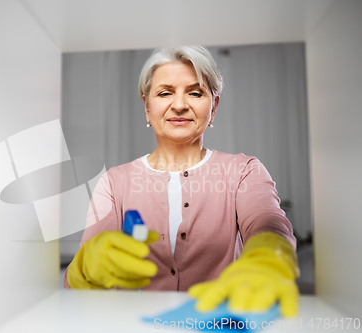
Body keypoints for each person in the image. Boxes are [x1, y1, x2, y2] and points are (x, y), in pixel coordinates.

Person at [64, 46, 300, 317]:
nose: (179, 105)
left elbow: (268, 223)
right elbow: (73, 290)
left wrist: (268, 259)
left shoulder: (244, 171)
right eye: (165, 93)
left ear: (214, 106)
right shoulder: (115, 183)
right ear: (146, 105)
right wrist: (86, 268)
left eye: (195, 92)